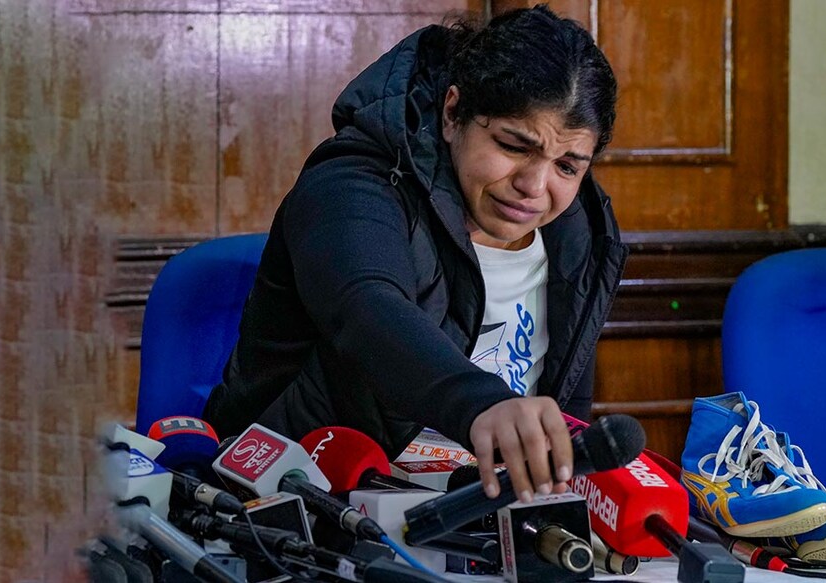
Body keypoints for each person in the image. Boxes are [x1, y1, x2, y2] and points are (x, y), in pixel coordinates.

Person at [203, 5, 625, 503]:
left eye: (567, 167)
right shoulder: (351, 186)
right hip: (299, 511)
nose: (534, 186)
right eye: (513, 146)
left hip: (475, 522)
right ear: (452, 113)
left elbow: (562, 411)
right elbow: (366, 308)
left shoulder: (577, 237)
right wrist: (482, 404)